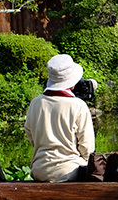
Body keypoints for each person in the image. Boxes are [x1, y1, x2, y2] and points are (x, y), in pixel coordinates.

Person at [25, 54, 95, 183]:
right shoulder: (78, 105)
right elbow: (87, 147)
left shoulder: (35, 103)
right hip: (70, 171)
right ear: (72, 81)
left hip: (39, 170)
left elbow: (30, 135)